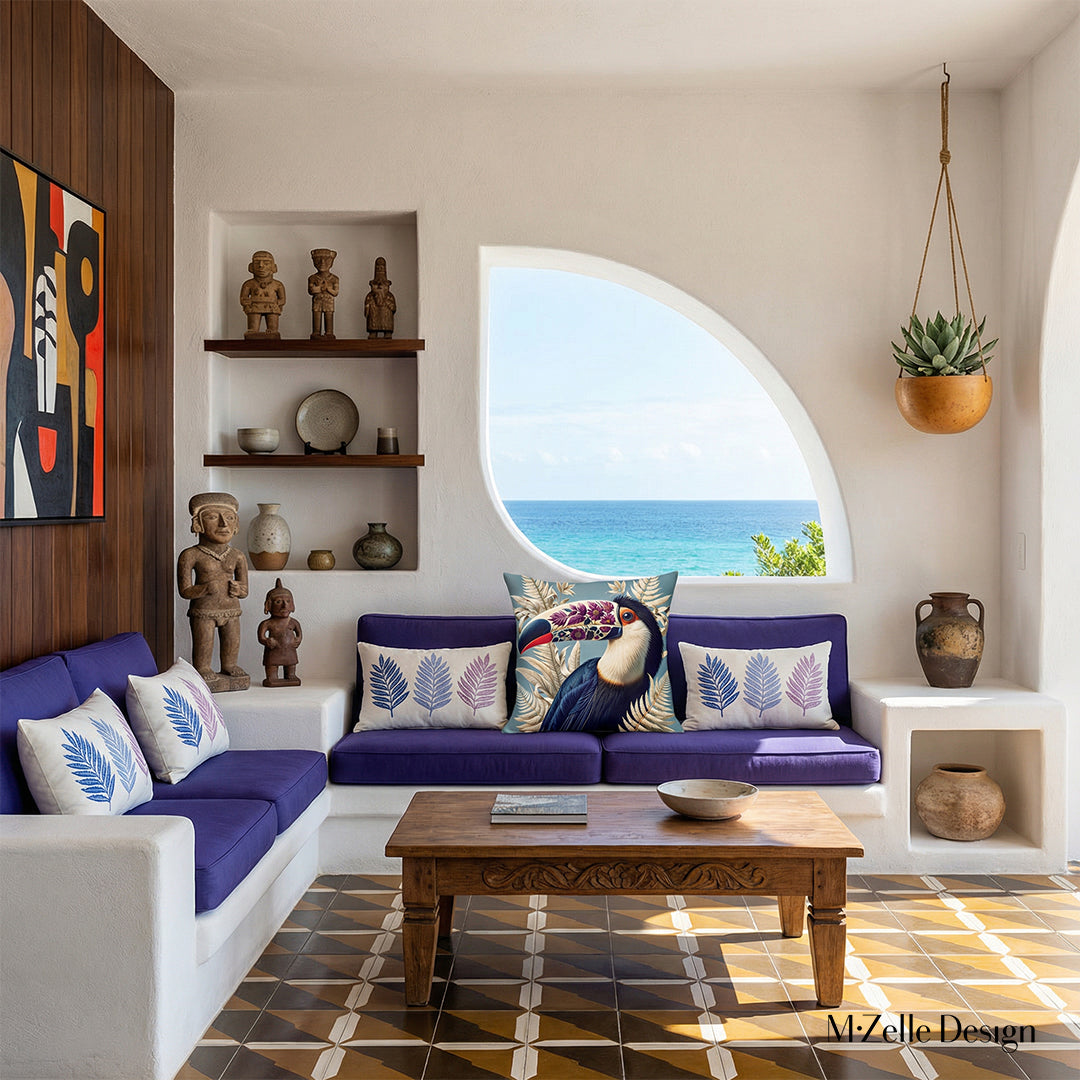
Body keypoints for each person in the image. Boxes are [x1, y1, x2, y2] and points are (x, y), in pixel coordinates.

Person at [177, 491, 250, 690]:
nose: (223, 524)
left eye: (229, 518)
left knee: (231, 642)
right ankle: (202, 668)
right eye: (212, 517)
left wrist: (239, 589)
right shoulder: (190, 555)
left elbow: (245, 590)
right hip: (204, 611)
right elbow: (185, 590)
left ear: (236, 524)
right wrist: (204, 589)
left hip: (231, 609)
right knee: (204, 646)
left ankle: (229, 666)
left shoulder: (237, 556)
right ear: (198, 524)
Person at [257, 578, 303, 686]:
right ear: (268, 605)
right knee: (272, 664)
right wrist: (267, 641)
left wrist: (298, 639)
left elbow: (299, 634)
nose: (284, 606)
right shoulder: (267, 623)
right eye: (278, 602)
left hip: (290, 650)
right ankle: (272, 677)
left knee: (291, 663)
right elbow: (261, 637)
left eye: (288, 601)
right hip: (273, 650)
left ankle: (291, 675)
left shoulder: (293, 622)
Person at [240, 250, 286, 338]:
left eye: (266, 263)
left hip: (272, 308)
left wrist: (277, 303)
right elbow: (243, 298)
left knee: (273, 331)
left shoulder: (277, 284)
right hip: (254, 307)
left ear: (274, 267)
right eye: (257, 263)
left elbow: (282, 299)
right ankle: (253, 332)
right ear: (251, 267)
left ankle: (272, 332)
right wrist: (247, 302)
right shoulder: (248, 284)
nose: (261, 266)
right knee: (252, 331)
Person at [307, 248, 339, 339]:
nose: (322, 262)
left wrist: (327, 288)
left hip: (329, 302)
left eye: (326, 259)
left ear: (332, 262)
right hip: (317, 301)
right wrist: (321, 288)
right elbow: (311, 290)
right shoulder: (312, 278)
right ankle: (316, 333)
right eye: (318, 259)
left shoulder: (334, 278)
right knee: (316, 316)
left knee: (329, 316)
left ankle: (329, 333)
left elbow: (335, 292)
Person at [364, 256, 396, 338]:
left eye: (383, 285)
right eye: (376, 285)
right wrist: (367, 307)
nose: (379, 286)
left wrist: (390, 304)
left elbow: (393, 308)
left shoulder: (389, 296)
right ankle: (373, 332)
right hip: (374, 314)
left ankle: (387, 332)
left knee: (387, 320)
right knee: (373, 321)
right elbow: (366, 308)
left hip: (386, 314)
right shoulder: (370, 296)